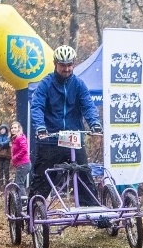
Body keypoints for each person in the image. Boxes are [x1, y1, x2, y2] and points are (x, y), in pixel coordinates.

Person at [30, 45, 102, 206]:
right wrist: (40, 127)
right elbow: (37, 107)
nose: (67, 68)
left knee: (84, 173)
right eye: (63, 65)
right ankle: (33, 211)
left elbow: (88, 106)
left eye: (69, 65)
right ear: (55, 63)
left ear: (74, 64)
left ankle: (93, 211)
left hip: (73, 138)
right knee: (43, 178)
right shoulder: (46, 84)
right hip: (50, 139)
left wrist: (94, 123)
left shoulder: (78, 84)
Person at [10, 120, 30, 193]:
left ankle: (23, 201)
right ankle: (17, 201)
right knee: (16, 183)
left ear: (19, 128)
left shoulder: (20, 137)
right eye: (12, 128)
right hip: (20, 164)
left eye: (15, 127)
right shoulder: (15, 138)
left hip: (23, 164)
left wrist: (15, 158)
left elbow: (24, 149)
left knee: (19, 184)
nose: (13, 129)